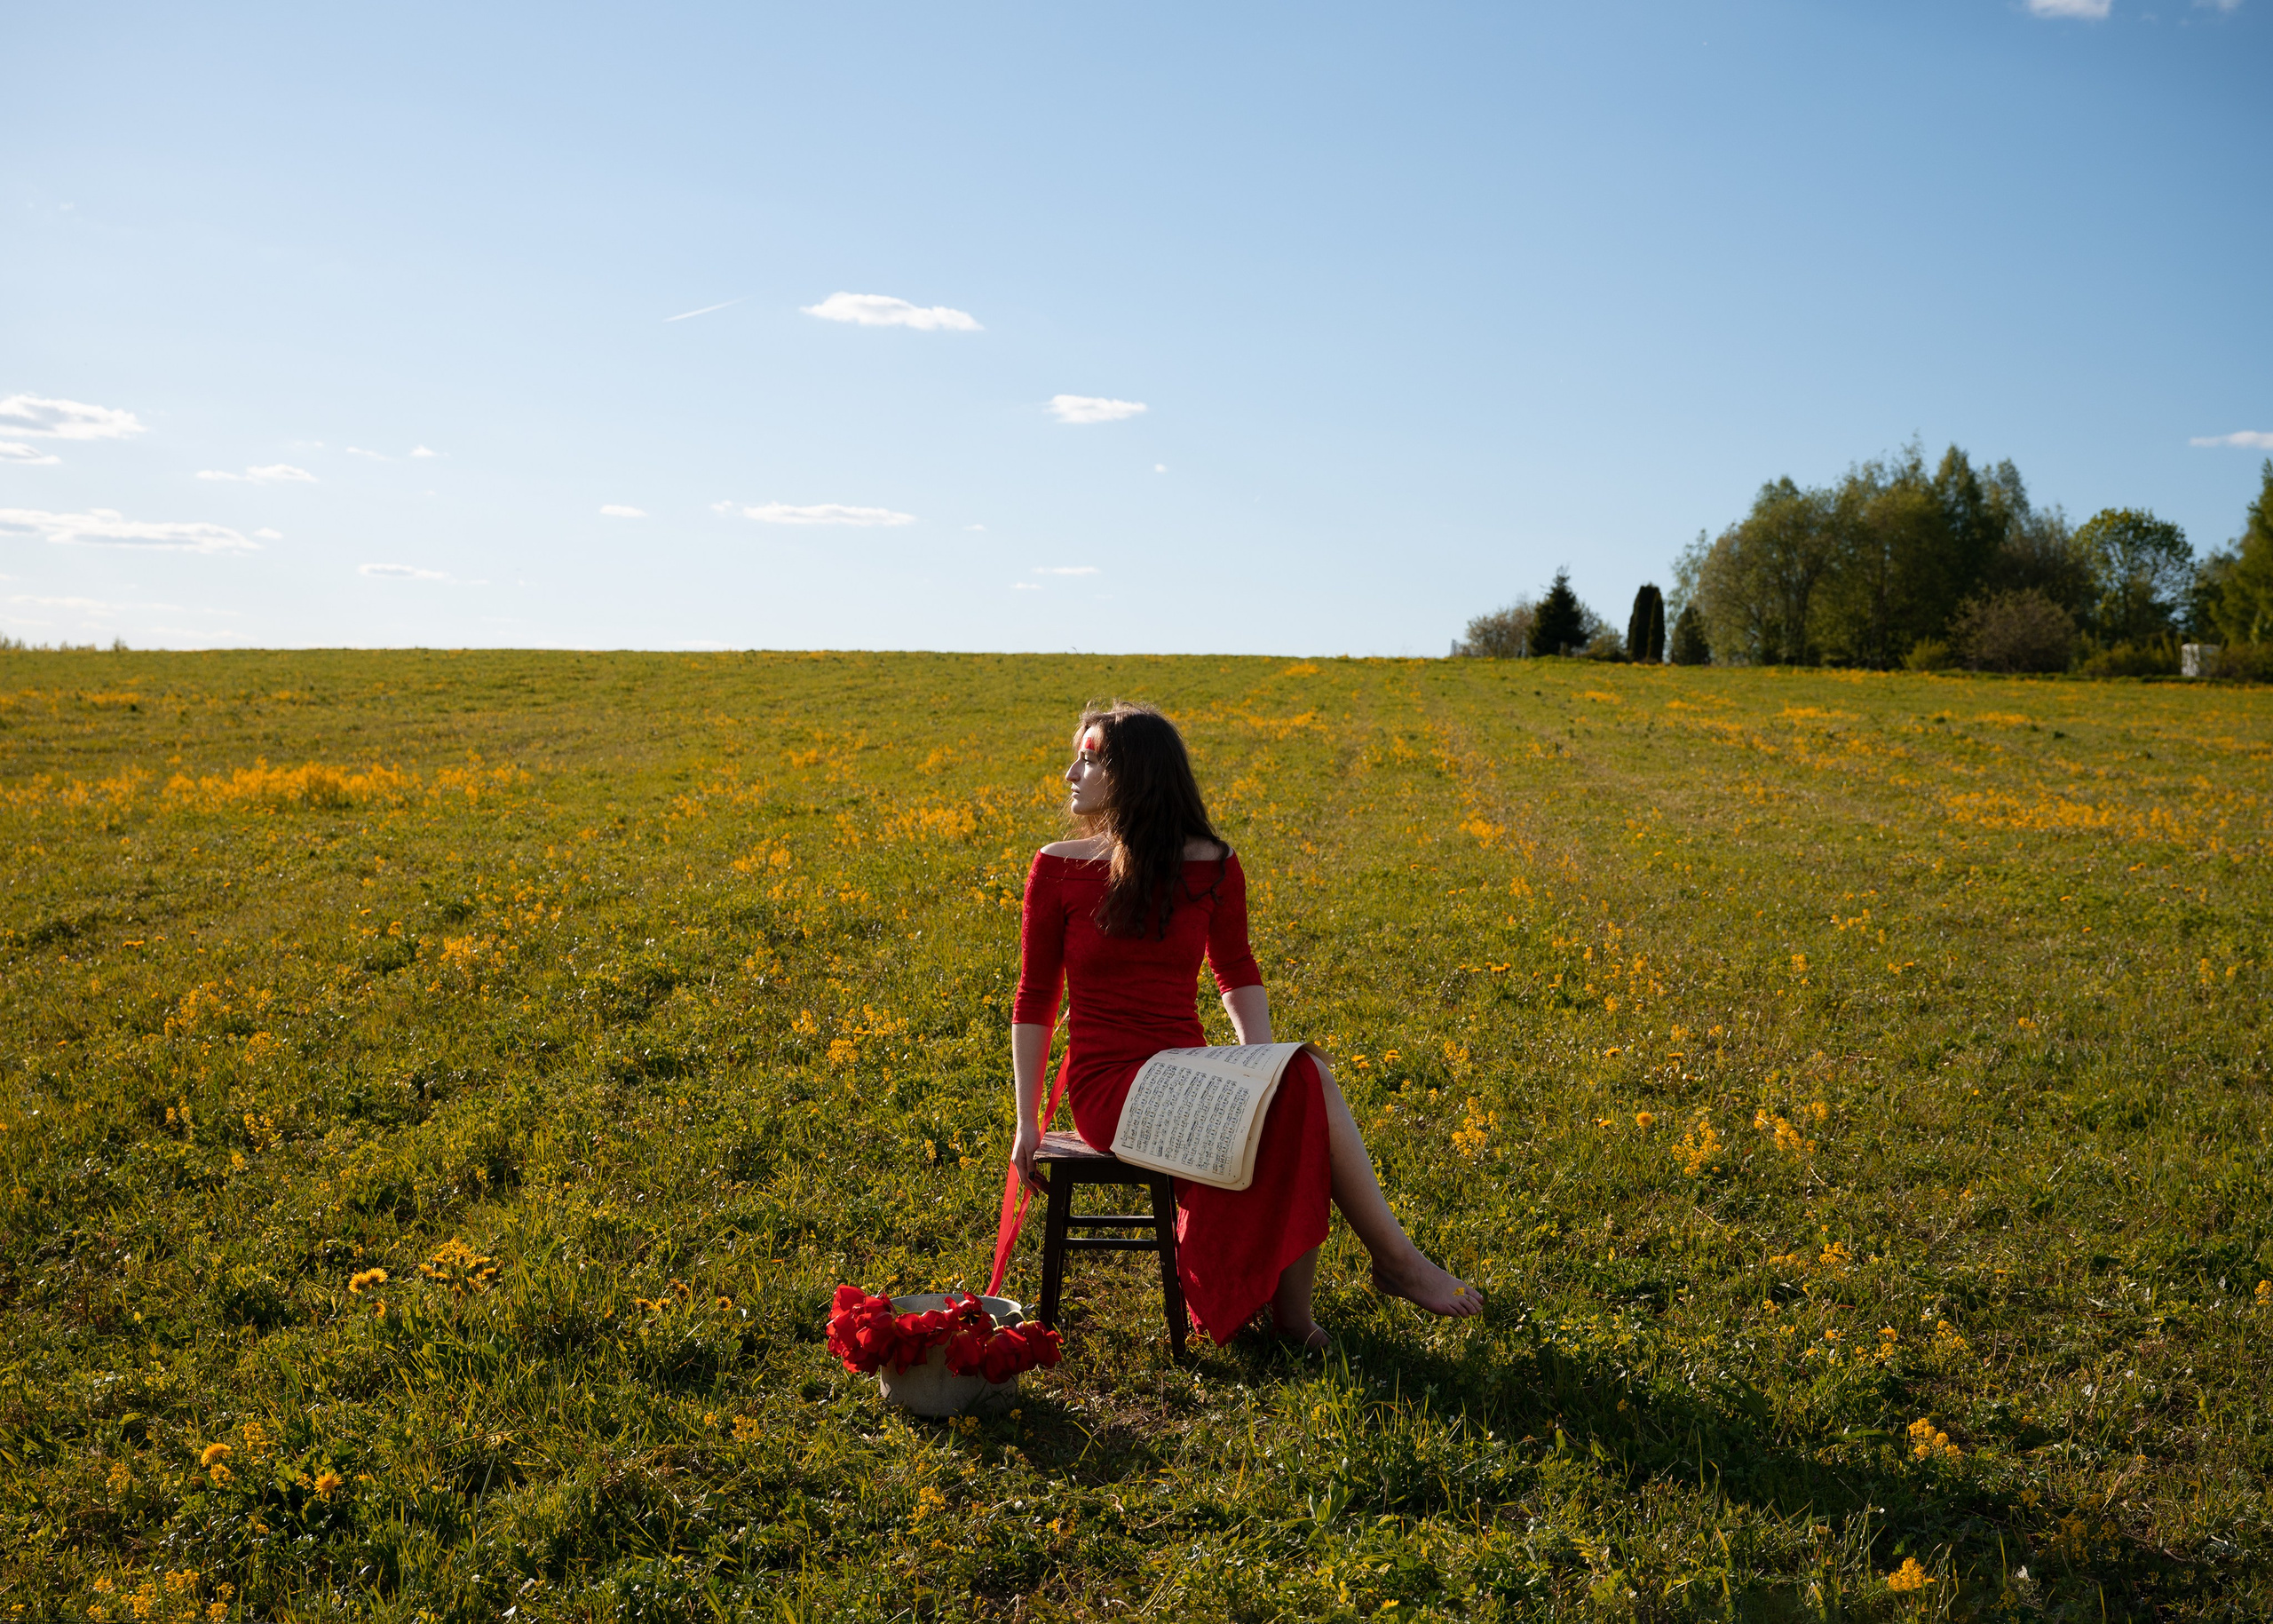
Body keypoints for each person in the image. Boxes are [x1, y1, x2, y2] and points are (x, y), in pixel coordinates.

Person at [1008, 701, 1483, 1351]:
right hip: (1111, 1088)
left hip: (1187, 1070)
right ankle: (1385, 1267)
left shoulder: (1214, 863)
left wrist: (1261, 1072)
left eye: (1089, 758)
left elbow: (1235, 969)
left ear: (1136, 772)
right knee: (1301, 1076)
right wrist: (1027, 1121)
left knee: (1299, 1078)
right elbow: (1035, 996)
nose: (1071, 771)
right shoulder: (1058, 865)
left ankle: (1321, 1302)